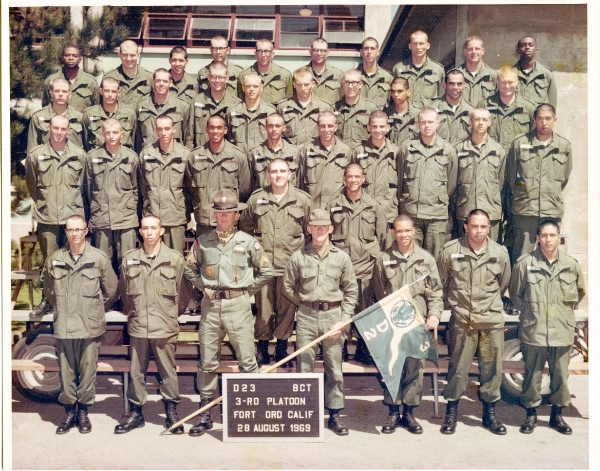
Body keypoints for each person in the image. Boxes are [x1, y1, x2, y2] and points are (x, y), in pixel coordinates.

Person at [184, 189, 274, 437]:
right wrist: (204, 287)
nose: (223, 217)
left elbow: (267, 271)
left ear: (237, 215)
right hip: (211, 309)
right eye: (219, 213)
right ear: (214, 215)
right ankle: (205, 414)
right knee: (207, 363)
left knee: (247, 361)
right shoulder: (203, 242)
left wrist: (245, 290)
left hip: (238, 308)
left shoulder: (248, 242)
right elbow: (189, 270)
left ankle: (251, 412)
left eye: (229, 213)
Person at [282, 209, 358, 435]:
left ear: (331, 229)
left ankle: (334, 415)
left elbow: (351, 290)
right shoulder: (298, 257)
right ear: (308, 229)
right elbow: (287, 287)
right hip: (306, 317)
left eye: (324, 226)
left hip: (333, 318)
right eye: (315, 226)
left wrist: (343, 320)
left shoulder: (341, 257)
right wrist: (305, 303)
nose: (320, 230)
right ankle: (307, 414)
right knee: (304, 366)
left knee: (334, 368)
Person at [436, 209, 511, 435]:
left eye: (483, 226)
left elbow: (503, 283)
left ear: (489, 228)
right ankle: (451, 413)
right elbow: (441, 281)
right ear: (466, 227)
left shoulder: (500, 253)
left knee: (492, 370)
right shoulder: (450, 251)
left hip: (491, 321)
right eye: (474, 226)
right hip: (463, 321)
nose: (479, 231)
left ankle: (489, 415)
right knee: (458, 369)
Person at [508, 220, 585, 435]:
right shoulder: (525, 263)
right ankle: (530, 415)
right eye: (544, 235)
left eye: (552, 235)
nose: (548, 239)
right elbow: (516, 293)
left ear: (559, 237)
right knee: (532, 374)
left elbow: (579, 292)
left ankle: (556, 415)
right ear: (538, 238)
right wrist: (532, 313)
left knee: (560, 374)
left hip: (561, 329)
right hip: (535, 330)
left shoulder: (571, 265)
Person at [43, 214, 118, 434]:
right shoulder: (55, 259)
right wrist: (62, 306)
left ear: (86, 231)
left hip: (89, 325)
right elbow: (49, 290)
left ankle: (83, 412)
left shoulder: (99, 258)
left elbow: (111, 290)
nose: (74, 234)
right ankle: (69, 413)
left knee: (87, 372)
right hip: (65, 324)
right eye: (70, 230)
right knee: (67, 373)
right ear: (66, 232)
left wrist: (94, 308)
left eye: (79, 229)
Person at [114, 215, 189, 435]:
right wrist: (135, 313)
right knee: (136, 372)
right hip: (138, 326)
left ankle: (171, 413)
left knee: (168, 372)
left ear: (162, 231)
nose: (149, 232)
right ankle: (136, 414)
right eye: (145, 228)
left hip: (165, 326)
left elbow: (183, 295)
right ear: (139, 232)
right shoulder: (129, 259)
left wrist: (170, 315)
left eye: (153, 228)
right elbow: (125, 293)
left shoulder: (174, 259)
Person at [372, 214, 443, 434]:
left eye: (408, 230)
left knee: (414, 368)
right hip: (392, 325)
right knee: (392, 368)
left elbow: (436, 291)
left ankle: (410, 413)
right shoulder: (383, 259)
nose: (404, 235)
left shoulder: (426, 259)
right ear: (393, 232)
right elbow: (377, 291)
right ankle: (393, 412)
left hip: (417, 324)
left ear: (414, 231)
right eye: (399, 231)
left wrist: (434, 314)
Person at [239, 158, 312, 366]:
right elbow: (246, 227)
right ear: (268, 174)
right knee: (264, 310)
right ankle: (261, 348)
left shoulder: (302, 200)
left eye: (282, 171)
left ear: (290, 174)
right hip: (264, 266)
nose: (278, 175)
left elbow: (310, 231)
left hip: (290, 265)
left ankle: (282, 348)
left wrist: (300, 256)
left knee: (287, 310)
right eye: (274, 171)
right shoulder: (257, 199)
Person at [26, 115, 87, 318]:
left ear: (68, 130)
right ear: (48, 129)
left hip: (72, 218)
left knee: (74, 259)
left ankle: (74, 301)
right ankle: (48, 299)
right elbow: (32, 185)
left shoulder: (79, 155)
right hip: (48, 217)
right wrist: (45, 202)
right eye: (56, 128)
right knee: (50, 261)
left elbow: (84, 187)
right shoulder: (36, 155)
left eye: (63, 129)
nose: (59, 132)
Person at [325, 163, 387, 364]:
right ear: (344, 179)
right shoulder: (333, 204)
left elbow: (383, 237)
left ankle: (363, 346)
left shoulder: (374, 205)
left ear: (363, 179)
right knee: (340, 307)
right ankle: (340, 346)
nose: (353, 180)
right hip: (340, 267)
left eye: (357, 176)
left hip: (365, 266)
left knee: (364, 308)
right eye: (349, 176)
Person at [504, 104, 571, 264]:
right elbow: (511, 178)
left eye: (548, 119)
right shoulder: (520, 143)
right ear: (534, 120)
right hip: (525, 212)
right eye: (540, 118)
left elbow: (564, 178)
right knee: (521, 259)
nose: (544, 123)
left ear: (555, 120)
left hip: (551, 210)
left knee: (550, 259)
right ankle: (519, 290)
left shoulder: (563, 146)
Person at [398, 107, 457, 258]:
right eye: (423, 122)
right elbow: (399, 181)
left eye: (431, 122)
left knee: (434, 258)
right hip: (411, 212)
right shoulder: (406, 148)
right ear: (418, 124)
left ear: (438, 123)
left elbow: (451, 185)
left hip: (436, 215)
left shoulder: (448, 150)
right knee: (410, 257)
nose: (427, 126)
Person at [83, 118, 139, 273]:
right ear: (102, 134)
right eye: (108, 132)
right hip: (102, 218)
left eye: (115, 132)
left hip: (126, 219)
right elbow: (88, 189)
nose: (112, 136)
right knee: (103, 262)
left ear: (122, 134)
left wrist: (130, 210)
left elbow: (137, 190)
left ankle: (126, 297)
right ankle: (107, 297)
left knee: (127, 262)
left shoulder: (132, 157)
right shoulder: (92, 157)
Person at [186, 114, 251, 235]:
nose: (215, 131)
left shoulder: (238, 156)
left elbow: (244, 189)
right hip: (204, 221)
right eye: (212, 127)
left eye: (219, 128)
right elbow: (190, 189)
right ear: (206, 129)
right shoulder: (194, 156)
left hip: (228, 221)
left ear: (225, 130)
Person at [138, 114, 191, 254]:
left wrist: (184, 210)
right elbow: (141, 187)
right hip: (152, 216)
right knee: (152, 257)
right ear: (156, 130)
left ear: (174, 129)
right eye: (160, 129)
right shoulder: (146, 154)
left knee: (176, 259)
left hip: (175, 217)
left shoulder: (185, 155)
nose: (164, 133)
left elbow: (191, 189)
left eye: (167, 129)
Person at [453, 108, 506, 241]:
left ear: (489, 122)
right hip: (465, 210)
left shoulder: (498, 150)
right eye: (477, 119)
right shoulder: (459, 149)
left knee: (491, 252)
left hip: (490, 211)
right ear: (470, 122)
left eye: (484, 120)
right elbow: (452, 183)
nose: (481, 123)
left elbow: (502, 183)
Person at [352, 110, 400, 248]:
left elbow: (402, 185)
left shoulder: (396, 153)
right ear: (368, 128)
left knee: (388, 255)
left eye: (381, 126)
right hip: (364, 212)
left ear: (388, 127)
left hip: (388, 213)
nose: (378, 130)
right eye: (374, 126)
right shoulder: (359, 151)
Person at [298, 110, 353, 209]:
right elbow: (300, 184)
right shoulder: (307, 151)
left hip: (338, 209)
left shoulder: (346, 151)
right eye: (322, 126)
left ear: (336, 127)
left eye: (330, 126)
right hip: (313, 209)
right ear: (317, 127)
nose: (326, 130)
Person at [476, 66, 536, 154]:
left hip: (517, 161)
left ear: (517, 82)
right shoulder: (484, 105)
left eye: (510, 82)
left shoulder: (529, 108)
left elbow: (534, 139)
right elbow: (476, 134)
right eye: (503, 82)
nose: (507, 86)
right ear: (497, 82)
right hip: (491, 158)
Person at [135, 68, 193, 152]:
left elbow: (189, 138)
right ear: (153, 82)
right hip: (149, 159)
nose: (161, 84)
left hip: (175, 159)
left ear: (170, 83)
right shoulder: (141, 106)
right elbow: (136, 138)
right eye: (158, 81)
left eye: (165, 81)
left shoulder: (182, 106)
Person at [276, 68, 332, 148]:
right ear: (294, 84)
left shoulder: (324, 107)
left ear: (313, 84)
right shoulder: (283, 107)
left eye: (306, 84)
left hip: (314, 154)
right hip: (290, 154)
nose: (303, 88)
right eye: (299, 84)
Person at [191, 62, 241, 148]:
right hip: (202, 154)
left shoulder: (236, 104)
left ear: (227, 78)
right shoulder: (197, 101)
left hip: (227, 156)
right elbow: (189, 135)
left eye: (221, 77)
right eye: (214, 77)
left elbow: (238, 136)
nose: (217, 81)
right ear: (209, 77)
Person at [27, 78, 83, 154]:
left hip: (72, 163)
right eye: (57, 91)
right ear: (51, 93)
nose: (60, 94)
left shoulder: (79, 117)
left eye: (64, 91)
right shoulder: (38, 117)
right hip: (46, 163)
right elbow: (32, 150)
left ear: (69, 95)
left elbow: (86, 149)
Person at [82, 77, 137, 151]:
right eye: (107, 91)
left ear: (119, 93)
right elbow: (85, 142)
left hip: (123, 160)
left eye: (113, 91)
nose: (110, 95)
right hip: (98, 159)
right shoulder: (89, 114)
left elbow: (135, 140)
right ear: (101, 91)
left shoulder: (130, 114)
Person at [248, 113, 301, 191]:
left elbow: (300, 181)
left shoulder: (294, 152)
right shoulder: (255, 152)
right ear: (265, 127)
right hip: (264, 198)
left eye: (278, 126)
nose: (274, 129)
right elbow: (249, 185)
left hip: (288, 199)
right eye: (270, 126)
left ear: (284, 128)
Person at [392, 30, 445, 108]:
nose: (418, 47)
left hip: (427, 118)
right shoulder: (398, 68)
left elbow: (442, 98)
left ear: (428, 45)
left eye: (421, 43)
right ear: (410, 46)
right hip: (405, 118)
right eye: (415, 43)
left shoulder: (438, 70)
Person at [226, 73, 276, 153]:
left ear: (261, 88)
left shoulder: (271, 112)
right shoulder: (232, 112)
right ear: (243, 88)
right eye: (248, 86)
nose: (251, 89)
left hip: (262, 161)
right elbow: (227, 141)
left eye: (255, 86)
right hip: (239, 161)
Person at [43, 45, 99, 112]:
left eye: (75, 56)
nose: (71, 58)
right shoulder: (51, 80)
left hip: (81, 121)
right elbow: (45, 108)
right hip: (58, 121)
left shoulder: (91, 82)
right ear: (63, 58)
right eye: (67, 55)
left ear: (80, 59)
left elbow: (96, 109)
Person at [333, 69, 379, 149]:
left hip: (362, 156)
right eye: (347, 82)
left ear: (360, 84)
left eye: (354, 82)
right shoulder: (334, 108)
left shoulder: (371, 108)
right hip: (340, 156)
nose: (350, 86)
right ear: (343, 84)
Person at [238, 39, 293, 105]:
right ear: (255, 54)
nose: (263, 55)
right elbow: (240, 101)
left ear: (272, 54)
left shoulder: (284, 75)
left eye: (266, 51)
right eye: (260, 51)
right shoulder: (244, 75)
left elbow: (289, 101)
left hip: (276, 114)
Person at [429, 69, 474, 145]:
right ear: (445, 85)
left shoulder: (471, 112)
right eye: (451, 83)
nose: (455, 87)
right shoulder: (431, 110)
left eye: (459, 84)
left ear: (464, 86)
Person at [103, 40, 152, 107]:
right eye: (125, 55)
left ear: (138, 55)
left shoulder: (149, 77)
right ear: (119, 54)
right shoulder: (109, 77)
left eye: (132, 55)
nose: (129, 59)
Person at [514, 36, 557, 108]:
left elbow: (552, 102)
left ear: (536, 50)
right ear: (518, 50)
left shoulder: (546, 74)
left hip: (537, 117)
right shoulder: (510, 73)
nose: (527, 47)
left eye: (530, 45)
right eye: (523, 45)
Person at [456, 36, 497, 106]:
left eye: (477, 49)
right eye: (470, 49)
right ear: (465, 51)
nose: (474, 52)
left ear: (483, 51)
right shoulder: (456, 75)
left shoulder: (493, 75)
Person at [302, 38, 345, 105]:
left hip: (329, 114)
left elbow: (343, 101)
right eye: (316, 50)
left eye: (322, 50)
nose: (319, 53)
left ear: (327, 53)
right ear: (310, 51)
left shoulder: (338, 75)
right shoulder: (301, 73)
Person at [357, 37, 393, 109]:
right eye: (366, 48)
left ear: (378, 52)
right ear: (361, 52)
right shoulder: (354, 76)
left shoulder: (388, 78)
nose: (369, 52)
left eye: (372, 48)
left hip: (378, 118)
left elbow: (392, 104)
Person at [384, 77, 418, 147]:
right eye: (393, 91)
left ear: (408, 92)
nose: (396, 94)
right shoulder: (385, 114)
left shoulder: (418, 115)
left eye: (400, 91)